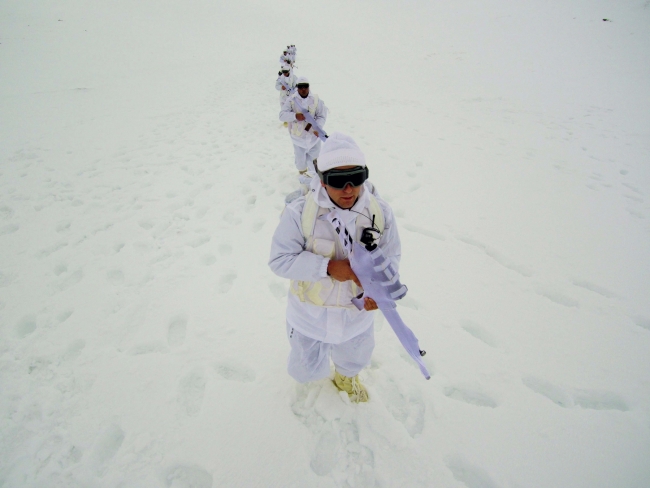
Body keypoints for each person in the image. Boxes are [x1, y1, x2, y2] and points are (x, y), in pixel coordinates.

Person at [268, 133, 401, 403]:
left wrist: (380, 289)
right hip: (309, 316)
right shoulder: (300, 213)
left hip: (356, 317)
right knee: (304, 367)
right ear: (322, 180)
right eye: (338, 181)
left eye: (356, 178)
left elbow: (391, 257)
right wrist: (326, 267)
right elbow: (280, 259)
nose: (349, 189)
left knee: (355, 355)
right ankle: (311, 379)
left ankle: (346, 375)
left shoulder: (379, 213)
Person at [279, 76, 327, 179]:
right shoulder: (291, 100)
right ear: (297, 87)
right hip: (298, 139)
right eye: (301, 87)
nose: (303, 89)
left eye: (305, 86)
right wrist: (295, 116)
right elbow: (282, 115)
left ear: (309, 87)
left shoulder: (316, 100)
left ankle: (315, 181)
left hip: (314, 138)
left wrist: (317, 127)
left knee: (315, 161)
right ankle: (303, 179)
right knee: (300, 163)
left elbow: (321, 116)